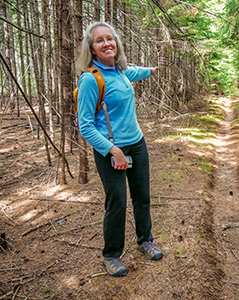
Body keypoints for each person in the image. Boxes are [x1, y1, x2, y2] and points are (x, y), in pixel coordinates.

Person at [76, 21, 163, 277]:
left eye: (110, 38)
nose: (106, 43)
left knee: (142, 196)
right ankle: (111, 254)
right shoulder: (91, 80)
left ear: (116, 43)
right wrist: (113, 150)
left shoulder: (121, 72)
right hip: (110, 150)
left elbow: (134, 71)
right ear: (91, 49)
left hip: (137, 143)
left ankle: (145, 239)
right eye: (99, 40)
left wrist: (150, 70)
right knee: (117, 202)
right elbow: (85, 126)